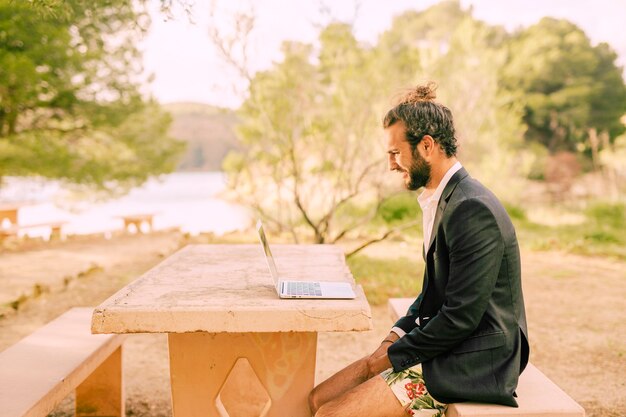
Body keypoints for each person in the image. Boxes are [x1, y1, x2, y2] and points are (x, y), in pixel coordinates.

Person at [308, 82, 530, 417]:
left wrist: (393, 357)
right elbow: (431, 295)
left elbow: (461, 317)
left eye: (396, 153)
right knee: (316, 399)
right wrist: (392, 338)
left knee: (332, 414)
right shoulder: (443, 200)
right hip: (450, 345)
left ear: (427, 146)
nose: (391, 165)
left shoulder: (472, 209)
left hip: (476, 360)